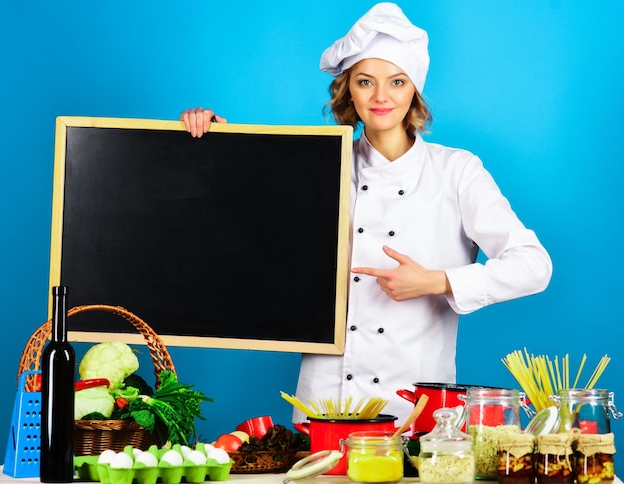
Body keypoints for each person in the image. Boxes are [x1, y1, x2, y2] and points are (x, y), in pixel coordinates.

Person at [180, 2, 552, 427]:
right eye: (364, 81)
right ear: (347, 91)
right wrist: (216, 144)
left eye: (396, 81)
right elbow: (241, 226)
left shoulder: (456, 170)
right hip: (324, 404)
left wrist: (435, 280)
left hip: (417, 412)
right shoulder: (318, 166)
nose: (380, 97)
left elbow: (534, 266)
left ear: (414, 88)